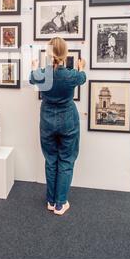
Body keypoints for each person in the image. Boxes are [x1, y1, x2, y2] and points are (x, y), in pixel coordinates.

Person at [30, 37, 86, 216]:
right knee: (66, 160)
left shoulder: (42, 74)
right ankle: (60, 204)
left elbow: (32, 78)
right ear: (65, 54)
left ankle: (51, 201)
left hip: (47, 119)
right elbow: (82, 77)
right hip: (68, 119)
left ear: (49, 53)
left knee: (51, 159)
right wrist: (81, 67)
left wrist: (34, 65)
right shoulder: (71, 75)